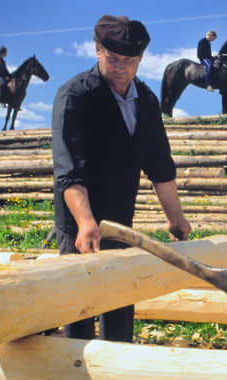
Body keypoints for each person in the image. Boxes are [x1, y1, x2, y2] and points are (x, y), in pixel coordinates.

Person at [51, 14, 191, 343]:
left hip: (121, 221)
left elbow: (160, 165)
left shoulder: (146, 101)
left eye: (130, 61)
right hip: (78, 224)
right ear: (98, 50)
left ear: (140, 59)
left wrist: (176, 217)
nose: (121, 68)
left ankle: (119, 371)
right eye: (113, 59)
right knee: (79, 306)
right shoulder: (74, 97)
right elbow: (69, 170)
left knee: (119, 302)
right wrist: (86, 221)